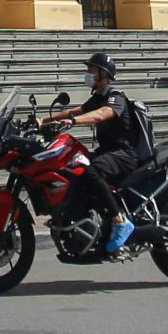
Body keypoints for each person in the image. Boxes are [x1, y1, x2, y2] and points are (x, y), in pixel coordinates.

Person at [40, 51, 147, 253]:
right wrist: (44, 120)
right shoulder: (97, 97)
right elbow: (75, 111)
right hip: (108, 152)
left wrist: (73, 122)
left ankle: (119, 221)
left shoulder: (115, 97)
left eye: (92, 70)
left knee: (92, 170)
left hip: (125, 154)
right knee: (76, 168)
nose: (88, 73)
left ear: (103, 74)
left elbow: (100, 115)